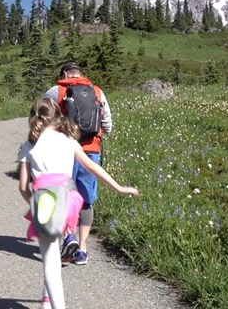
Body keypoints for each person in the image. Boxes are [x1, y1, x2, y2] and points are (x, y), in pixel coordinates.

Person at [18, 97, 138, 309]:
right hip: (68, 198)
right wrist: (119, 187)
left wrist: (33, 203)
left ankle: (56, 305)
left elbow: (23, 186)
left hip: (44, 199)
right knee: (55, 251)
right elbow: (93, 168)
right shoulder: (69, 141)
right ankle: (47, 301)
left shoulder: (29, 145)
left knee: (50, 260)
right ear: (57, 117)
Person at [44, 61, 113, 265]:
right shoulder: (97, 91)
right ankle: (82, 249)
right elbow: (107, 123)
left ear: (65, 73)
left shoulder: (56, 91)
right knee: (86, 198)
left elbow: (41, 120)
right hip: (91, 150)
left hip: (63, 151)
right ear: (80, 74)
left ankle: (68, 238)